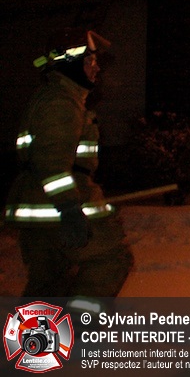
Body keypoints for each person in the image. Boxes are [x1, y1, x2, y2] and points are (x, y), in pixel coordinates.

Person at [4, 28, 133, 303]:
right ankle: (79, 322)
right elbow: (51, 162)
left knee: (50, 284)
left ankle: (40, 334)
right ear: (71, 64)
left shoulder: (56, 97)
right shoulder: (61, 103)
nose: (96, 68)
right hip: (56, 207)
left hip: (42, 206)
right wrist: (70, 209)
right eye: (90, 61)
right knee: (110, 260)